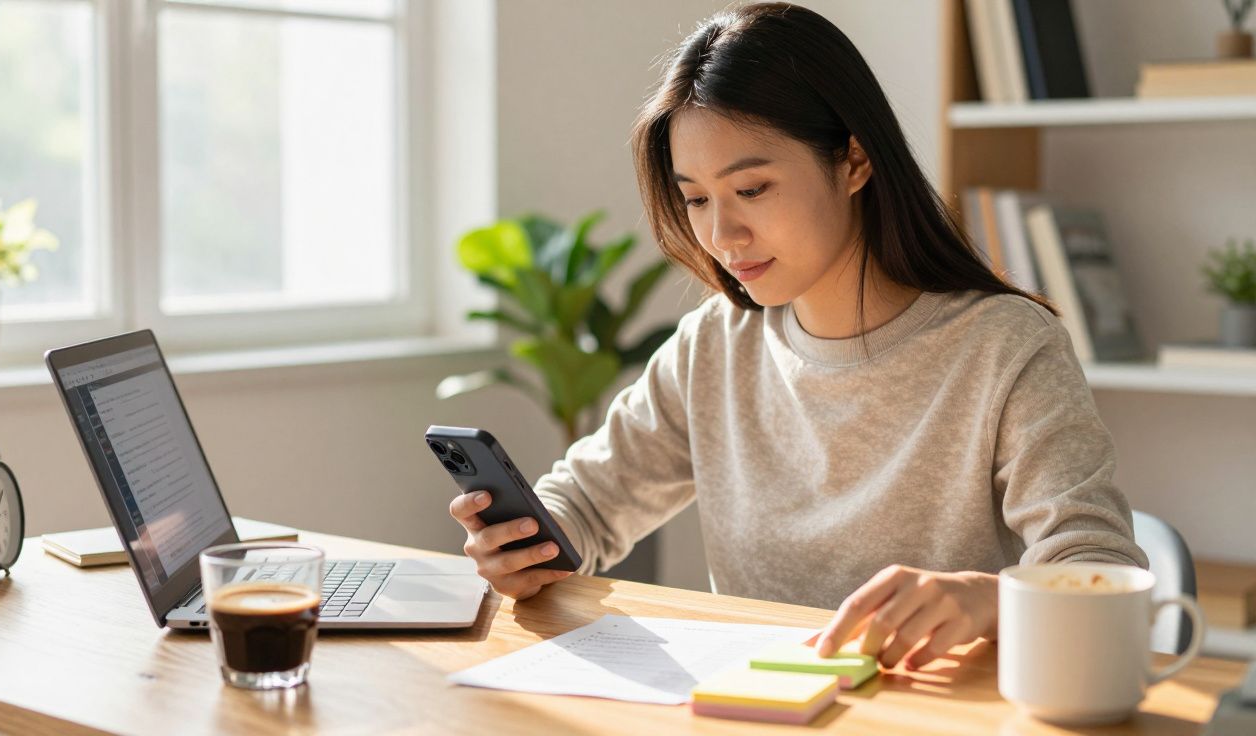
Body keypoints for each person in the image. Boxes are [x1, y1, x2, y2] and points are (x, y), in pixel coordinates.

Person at [448, 2, 1145, 671]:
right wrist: (522, 545)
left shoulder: (1006, 347)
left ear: (854, 162)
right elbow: (586, 502)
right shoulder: (715, 347)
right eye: (696, 199)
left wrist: (987, 599)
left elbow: (1102, 579)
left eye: (751, 189)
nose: (722, 236)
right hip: (755, 709)